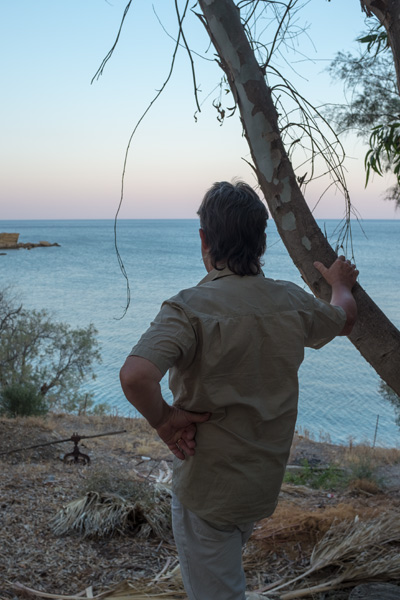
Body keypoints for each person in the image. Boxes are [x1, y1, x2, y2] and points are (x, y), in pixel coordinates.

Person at [120, 181, 358, 600]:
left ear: (204, 239)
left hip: (207, 490)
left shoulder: (188, 309)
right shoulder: (290, 301)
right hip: (260, 485)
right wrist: (340, 284)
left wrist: (165, 420)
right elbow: (343, 318)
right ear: (262, 241)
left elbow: (136, 376)